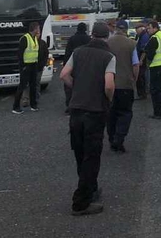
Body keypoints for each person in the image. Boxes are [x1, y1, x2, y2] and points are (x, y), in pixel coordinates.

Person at [59, 22, 116, 216]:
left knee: (80, 153)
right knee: (92, 157)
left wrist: (77, 88)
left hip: (76, 110)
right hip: (95, 111)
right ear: (106, 37)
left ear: (92, 35)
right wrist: (108, 98)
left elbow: (64, 74)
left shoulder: (78, 52)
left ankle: (90, 188)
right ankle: (81, 202)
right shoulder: (109, 56)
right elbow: (109, 85)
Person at [106, 21, 140, 152]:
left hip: (110, 83)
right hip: (126, 84)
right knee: (125, 113)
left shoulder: (107, 43)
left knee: (111, 113)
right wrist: (134, 79)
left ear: (115, 29)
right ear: (126, 30)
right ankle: (119, 138)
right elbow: (135, 65)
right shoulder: (131, 44)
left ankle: (111, 137)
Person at [12, 22, 49, 114]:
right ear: (35, 29)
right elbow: (20, 53)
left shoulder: (34, 39)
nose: (39, 30)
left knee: (33, 86)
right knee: (22, 86)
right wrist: (23, 66)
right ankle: (15, 107)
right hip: (26, 66)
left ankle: (33, 105)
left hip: (34, 65)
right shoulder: (25, 38)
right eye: (38, 28)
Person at [63, 22, 91, 113]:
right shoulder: (88, 39)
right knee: (85, 85)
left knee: (69, 87)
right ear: (85, 29)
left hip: (73, 65)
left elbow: (67, 53)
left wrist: (65, 66)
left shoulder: (72, 39)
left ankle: (70, 105)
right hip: (86, 66)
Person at [135, 24, 150, 100]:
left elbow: (144, 50)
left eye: (137, 30)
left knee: (140, 76)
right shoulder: (141, 35)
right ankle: (142, 93)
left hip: (141, 59)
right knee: (141, 76)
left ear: (141, 29)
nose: (136, 32)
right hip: (139, 58)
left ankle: (142, 93)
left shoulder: (144, 36)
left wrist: (141, 60)